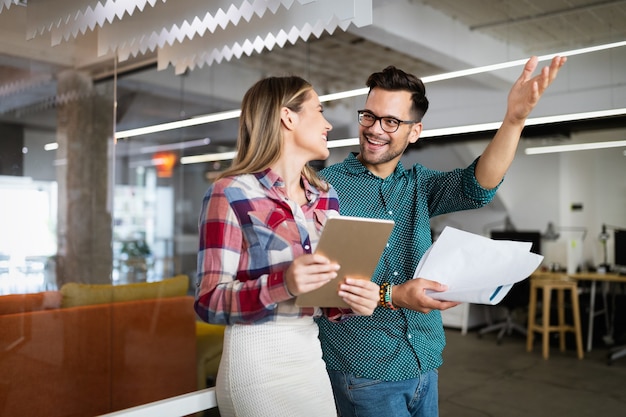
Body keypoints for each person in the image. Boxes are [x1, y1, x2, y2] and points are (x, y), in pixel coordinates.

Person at [316, 55, 567, 417]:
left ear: (414, 131)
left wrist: (514, 120)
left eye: (391, 121)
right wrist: (395, 295)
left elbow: (478, 185)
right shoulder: (327, 189)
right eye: (369, 116)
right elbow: (321, 288)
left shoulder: (419, 185)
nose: (374, 129)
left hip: (424, 361)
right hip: (363, 368)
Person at [194, 75, 380, 417]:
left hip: (310, 356)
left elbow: (325, 299)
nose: (327, 124)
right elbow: (208, 302)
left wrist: (354, 300)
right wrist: (285, 283)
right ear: (287, 117)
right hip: (255, 363)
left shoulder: (325, 196)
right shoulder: (231, 192)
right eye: (319, 111)